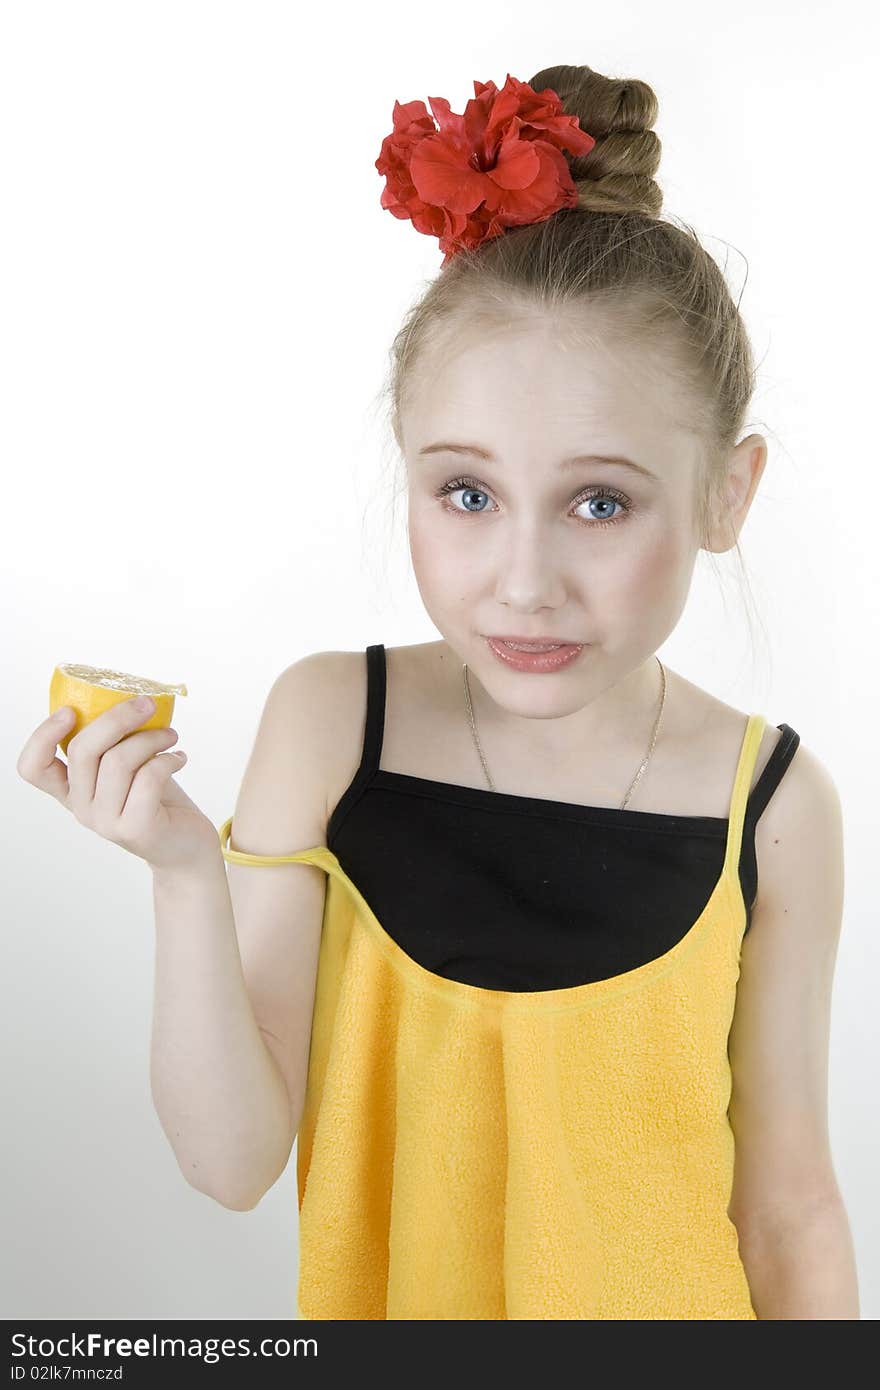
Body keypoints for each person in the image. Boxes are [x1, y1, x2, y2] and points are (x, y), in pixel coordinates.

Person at [18, 64, 859, 1321]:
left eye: (599, 502)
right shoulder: (329, 727)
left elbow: (787, 1210)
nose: (523, 583)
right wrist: (186, 874)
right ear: (404, 468)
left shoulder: (776, 804)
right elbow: (232, 1160)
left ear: (726, 494)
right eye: (465, 494)